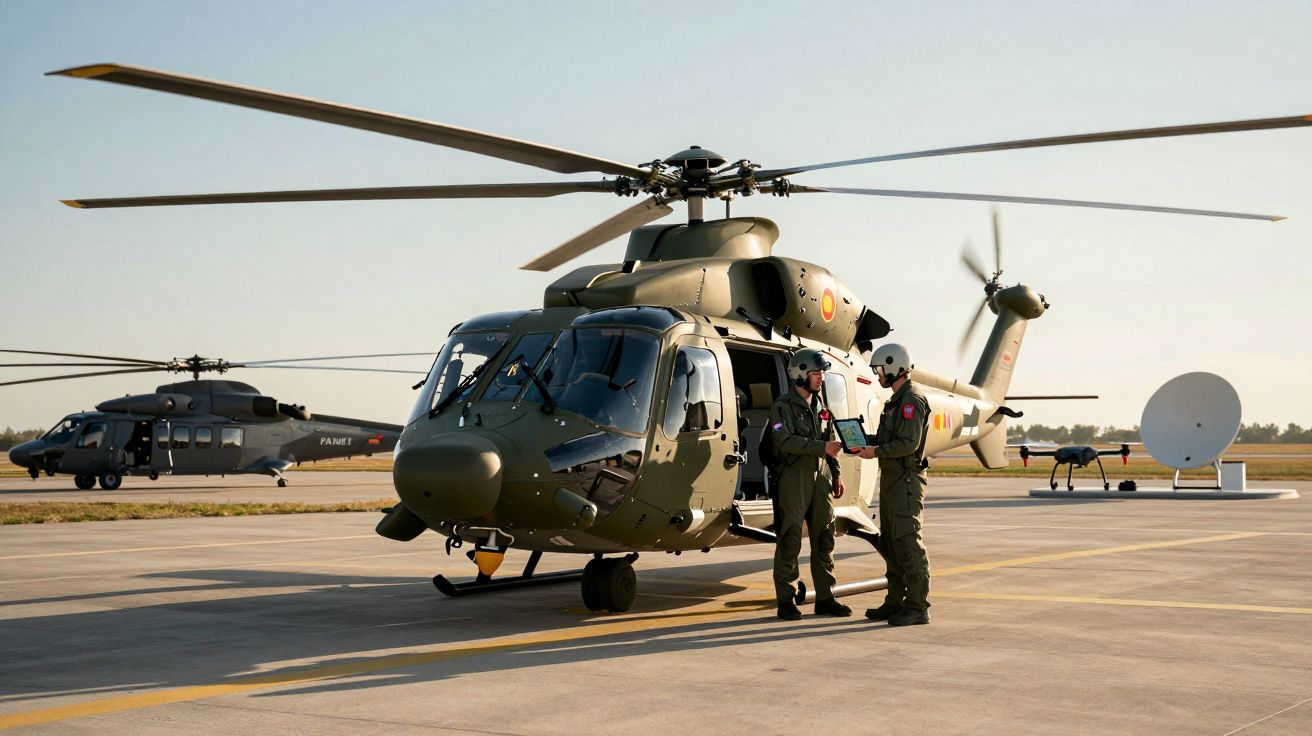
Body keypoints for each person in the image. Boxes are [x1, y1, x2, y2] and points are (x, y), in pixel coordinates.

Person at [769, 348, 852, 621]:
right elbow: (784, 441)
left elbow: (831, 448)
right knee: (791, 538)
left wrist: (836, 474)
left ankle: (826, 597)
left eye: (822, 373)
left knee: (825, 537)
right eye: (817, 374)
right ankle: (786, 600)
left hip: (821, 478)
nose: (821, 379)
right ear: (800, 374)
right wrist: (821, 447)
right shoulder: (782, 407)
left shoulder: (822, 408)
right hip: (795, 478)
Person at [854, 343, 932, 626]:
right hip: (892, 480)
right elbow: (892, 441)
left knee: (908, 542)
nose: (878, 376)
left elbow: (907, 444)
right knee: (891, 543)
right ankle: (895, 601)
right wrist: (868, 442)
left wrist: (875, 452)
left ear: (893, 366)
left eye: (880, 370)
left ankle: (917, 606)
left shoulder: (911, 400)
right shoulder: (897, 400)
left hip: (906, 480)